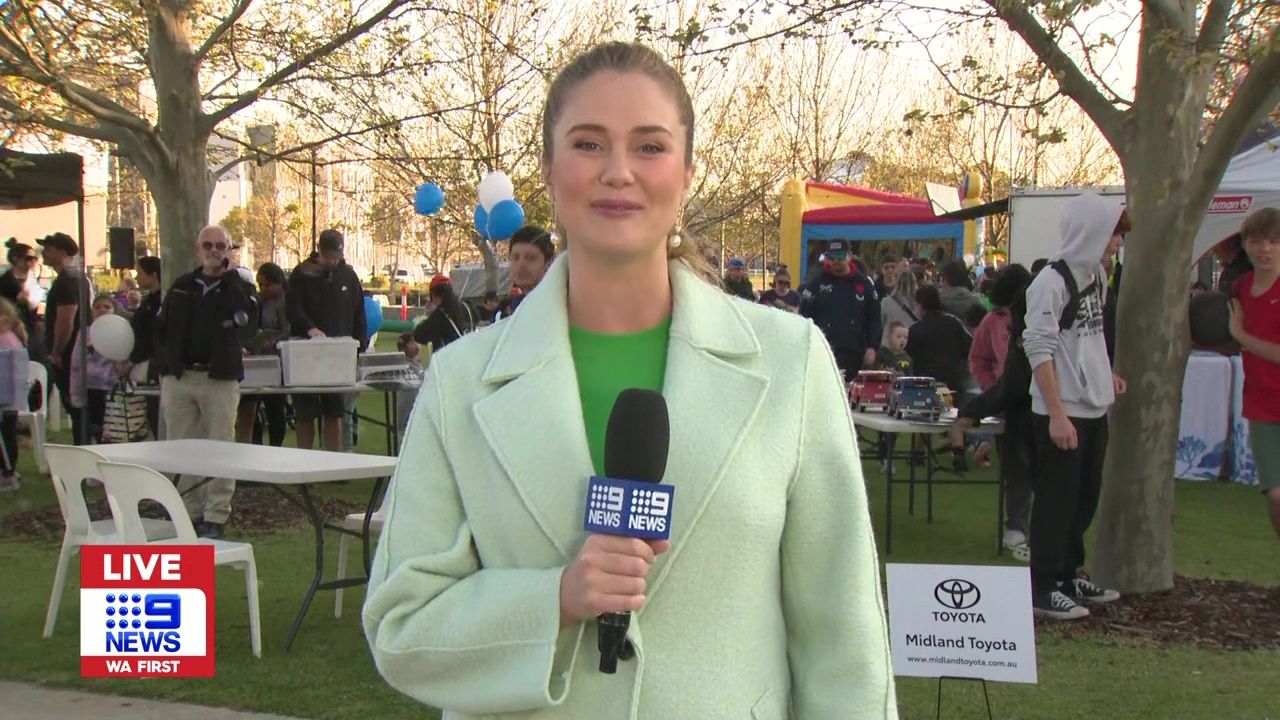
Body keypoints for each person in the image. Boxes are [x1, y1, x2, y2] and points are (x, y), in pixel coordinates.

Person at [363, 41, 896, 719]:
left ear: (687, 172)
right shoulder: (460, 383)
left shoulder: (791, 361)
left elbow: (843, 640)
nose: (618, 172)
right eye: (589, 144)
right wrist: (557, 598)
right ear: (548, 170)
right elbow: (403, 625)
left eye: (649, 146)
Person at [1023, 192, 1128, 620]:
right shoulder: (1049, 282)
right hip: (1062, 409)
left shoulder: (1096, 277)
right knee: (1056, 500)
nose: (1117, 242)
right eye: (1113, 234)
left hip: (1092, 406)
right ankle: (1043, 585)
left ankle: (1067, 575)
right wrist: (1057, 413)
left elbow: (1090, 335)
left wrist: (1104, 374)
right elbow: (1039, 347)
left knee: (1084, 497)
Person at [156, 225, 257, 539]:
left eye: (220, 246)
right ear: (198, 249)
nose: (214, 251)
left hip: (219, 378)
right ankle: (188, 510)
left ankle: (215, 513)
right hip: (181, 377)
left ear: (228, 250)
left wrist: (229, 278)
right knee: (181, 446)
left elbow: (249, 323)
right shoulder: (182, 286)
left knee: (220, 447)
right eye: (208, 245)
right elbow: (162, 327)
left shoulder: (238, 286)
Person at [1226, 207, 1280, 541]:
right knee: (1275, 495)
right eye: (1257, 241)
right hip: (1261, 405)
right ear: (1245, 244)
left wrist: (1242, 337)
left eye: (1274, 241)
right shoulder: (1240, 288)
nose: (1265, 249)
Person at [287, 229, 366, 452]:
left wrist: (359, 349)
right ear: (319, 251)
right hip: (306, 353)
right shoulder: (302, 274)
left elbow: (358, 313)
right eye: (328, 256)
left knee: (334, 412)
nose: (332, 261)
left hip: (337, 354)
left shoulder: (348, 276)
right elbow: (292, 307)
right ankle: (305, 461)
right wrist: (309, 327)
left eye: (336, 257)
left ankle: (333, 459)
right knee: (305, 413)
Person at [800, 240, 882, 380]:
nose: (836, 262)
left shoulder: (864, 284)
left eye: (840, 257)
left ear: (849, 255)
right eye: (832, 257)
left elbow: (874, 319)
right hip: (823, 352)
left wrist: (872, 347)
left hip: (855, 354)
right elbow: (804, 318)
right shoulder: (816, 284)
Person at [38, 231, 91, 444]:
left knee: (74, 406)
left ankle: (82, 447)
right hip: (78, 350)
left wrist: (57, 351)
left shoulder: (67, 280)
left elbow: (66, 320)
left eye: (48, 249)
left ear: (61, 252)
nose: (44, 253)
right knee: (77, 409)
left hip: (69, 353)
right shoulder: (77, 277)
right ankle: (82, 445)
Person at [236, 262, 290, 448]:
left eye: (267, 285)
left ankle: (276, 446)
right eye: (260, 285)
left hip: (279, 361)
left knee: (276, 408)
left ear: (279, 283)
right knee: (252, 407)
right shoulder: (257, 301)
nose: (263, 289)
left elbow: (289, 330)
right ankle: (255, 445)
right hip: (257, 359)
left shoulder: (287, 302)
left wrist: (274, 340)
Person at [905, 285, 972, 395]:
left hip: (925, 387)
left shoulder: (915, 330)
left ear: (920, 306)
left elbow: (909, 355)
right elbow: (970, 347)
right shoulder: (954, 323)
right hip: (953, 384)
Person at [124, 256, 164, 436]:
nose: (137, 277)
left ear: (153, 275)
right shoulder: (148, 301)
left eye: (141, 273)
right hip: (144, 362)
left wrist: (132, 360)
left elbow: (148, 336)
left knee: (156, 413)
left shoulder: (159, 302)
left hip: (152, 363)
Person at [499, 225, 557, 319]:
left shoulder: (560, 305)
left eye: (531, 258)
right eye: (515, 257)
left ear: (548, 263)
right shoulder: (515, 304)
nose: (521, 264)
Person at [0, 298, 26, 492]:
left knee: (5, 435)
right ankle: (9, 471)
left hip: (5, 396)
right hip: (12, 397)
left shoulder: (4, 339)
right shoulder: (12, 336)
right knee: (8, 433)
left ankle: (7, 473)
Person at [411, 278, 469, 353]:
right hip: (463, 354)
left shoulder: (440, 316)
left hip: (447, 357)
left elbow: (419, 335)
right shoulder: (464, 307)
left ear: (435, 296)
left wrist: (432, 314)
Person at [879, 261, 918, 347]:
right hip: (911, 345)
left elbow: (880, 323)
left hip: (889, 346)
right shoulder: (920, 304)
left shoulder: (886, 302)